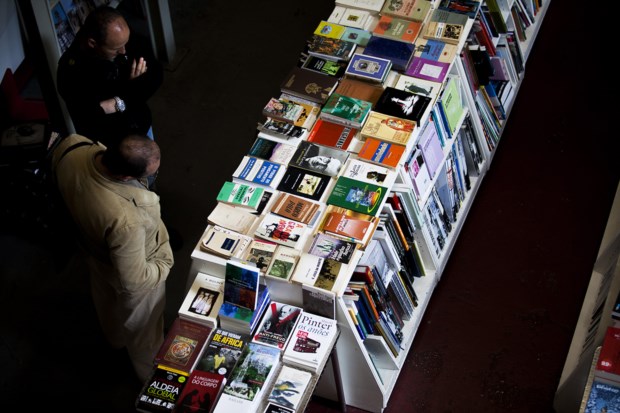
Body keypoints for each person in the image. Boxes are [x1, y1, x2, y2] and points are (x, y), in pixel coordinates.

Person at [51, 133, 174, 382]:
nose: (151, 179)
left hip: (94, 250)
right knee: (145, 329)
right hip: (136, 260)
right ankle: (151, 377)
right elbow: (135, 281)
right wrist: (163, 265)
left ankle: (115, 340)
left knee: (106, 299)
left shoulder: (72, 146)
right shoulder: (127, 220)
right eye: (150, 175)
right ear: (126, 177)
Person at [57, 6, 163, 147]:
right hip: (110, 144)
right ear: (92, 43)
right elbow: (90, 117)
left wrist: (117, 101)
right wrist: (132, 89)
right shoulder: (70, 72)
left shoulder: (119, 37)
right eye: (116, 49)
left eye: (125, 43)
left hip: (140, 125)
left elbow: (156, 74)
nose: (124, 51)